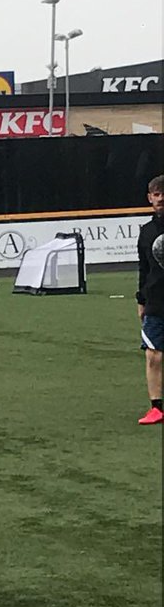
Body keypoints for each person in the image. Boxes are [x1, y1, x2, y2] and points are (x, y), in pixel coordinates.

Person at [136, 174, 164, 425]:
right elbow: (143, 269)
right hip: (156, 301)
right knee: (153, 356)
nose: (161, 198)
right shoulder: (146, 232)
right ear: (150, 198)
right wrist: (140, 300)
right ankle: (156, 407)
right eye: (156, 194)